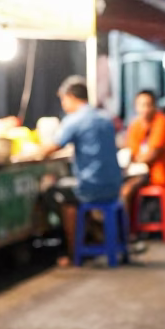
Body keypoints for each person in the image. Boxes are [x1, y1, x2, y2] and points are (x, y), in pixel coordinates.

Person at [39, 77, 123, 266]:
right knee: (68, 189)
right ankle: (92, 236)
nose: (63, 104)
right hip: (114, 185)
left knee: (54, 192)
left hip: (92, 186)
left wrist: (31, 151)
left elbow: (51, 147)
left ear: (70, 97)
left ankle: (73, 250)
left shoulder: (75, 119)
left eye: (63, 100)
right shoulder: (104, 116)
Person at [122, 90, 165, 214]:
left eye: (148, 105)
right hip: (140, 172)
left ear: (154, 106)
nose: (145, 109)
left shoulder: (161, 122)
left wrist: (136, 159)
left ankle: (126, 231)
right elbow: (131, 151)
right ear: (136, 106)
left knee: (126, 191)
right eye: (141, 105)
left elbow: (151, 154)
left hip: (159, 174)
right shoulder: (135, 125)